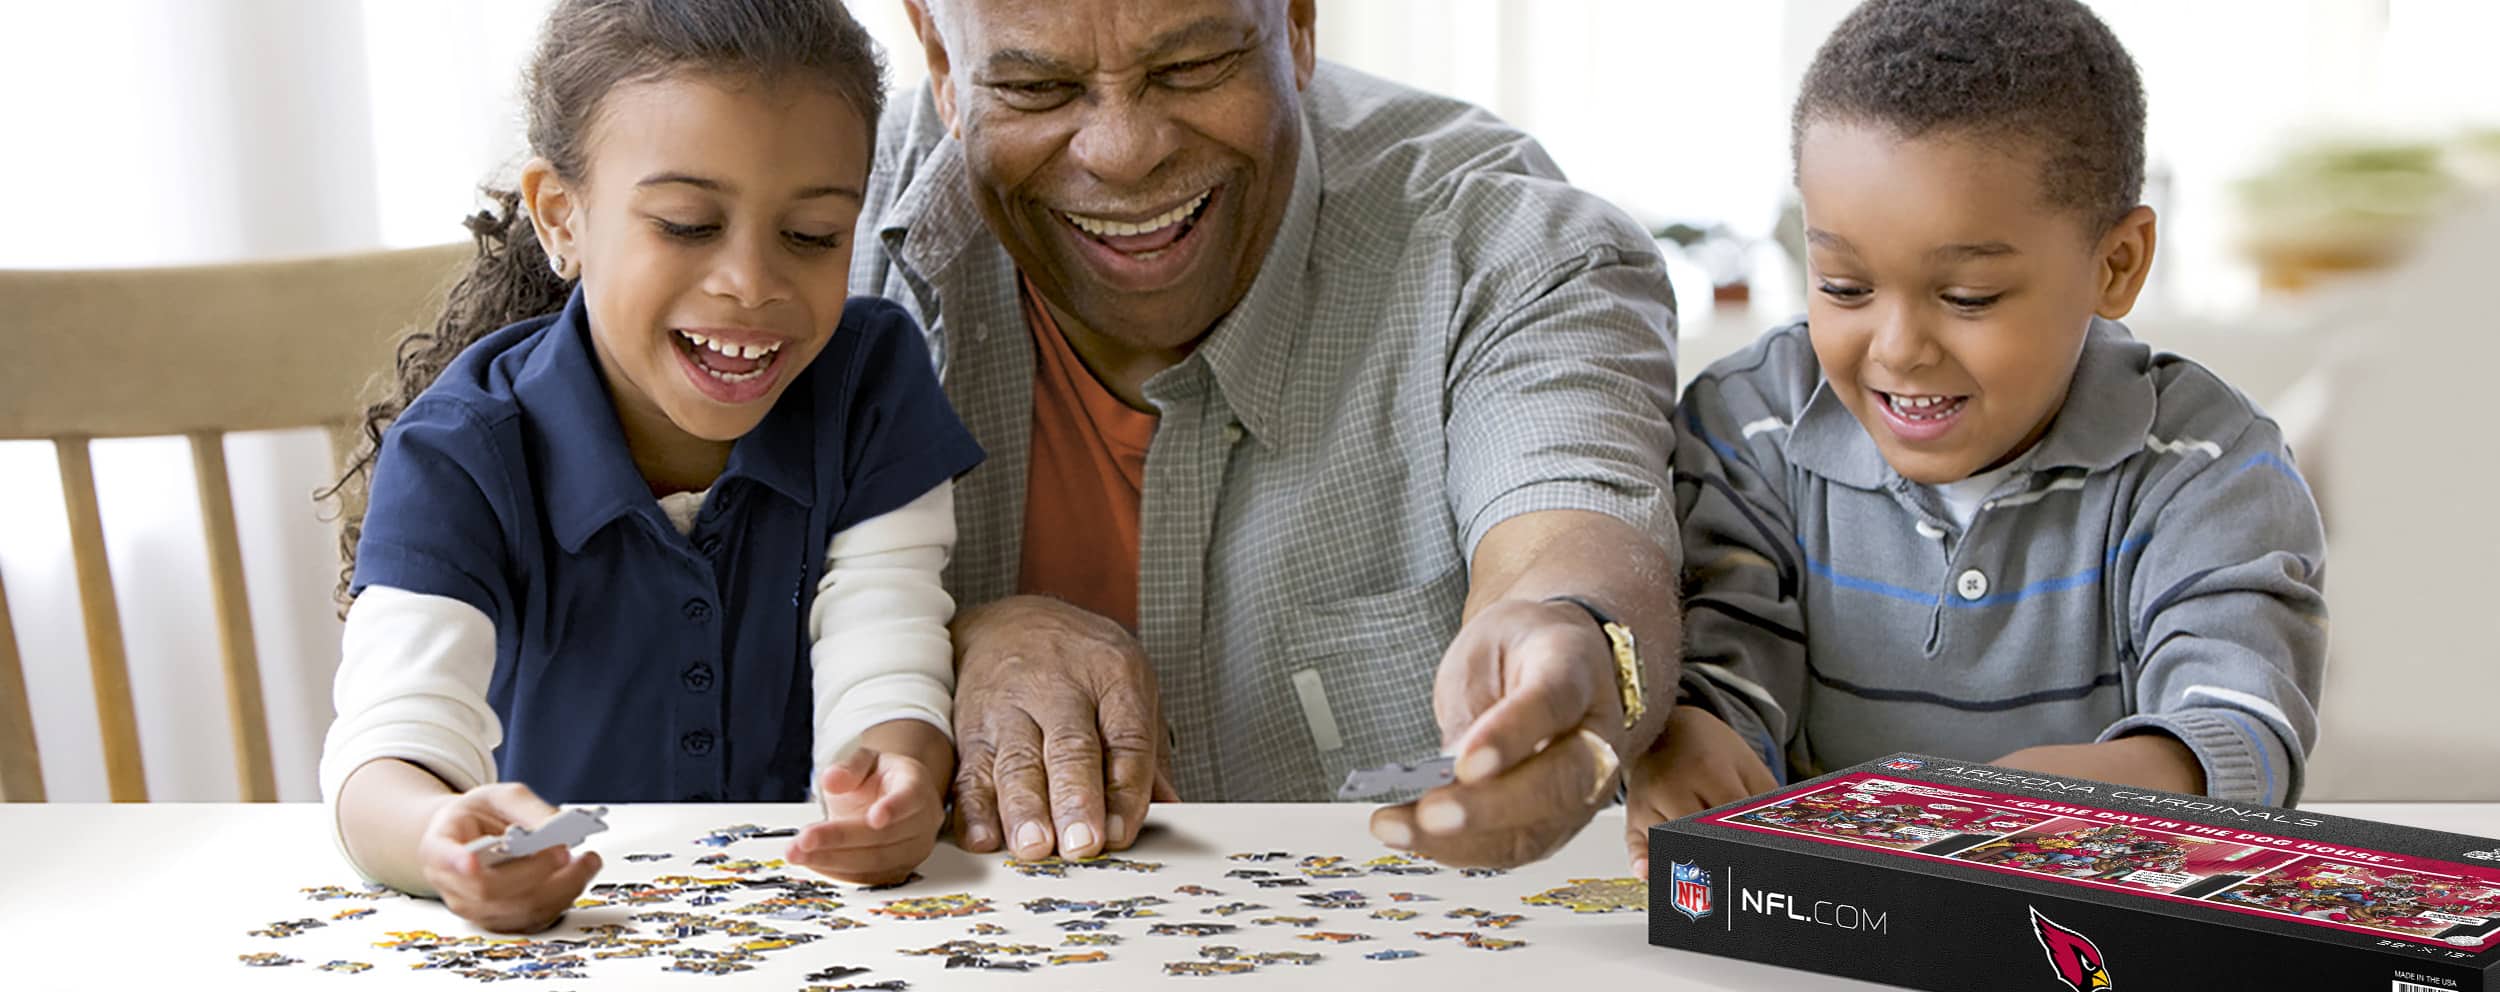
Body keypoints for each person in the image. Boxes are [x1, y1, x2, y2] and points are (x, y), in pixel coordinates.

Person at [859, 0, 1682, 869]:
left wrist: (1576, 642)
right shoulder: (796, 224)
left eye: (1191, 67)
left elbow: (1568, 534)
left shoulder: (1503, 244)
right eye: (1035, 86)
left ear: (1296, 22)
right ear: (941, 61)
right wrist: (937, 642)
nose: (1124, 151)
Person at [315, 0, 982, 932]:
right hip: (565, 938)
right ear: (562, 217)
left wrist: (895, 777)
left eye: (814, 235)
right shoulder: (460, 451)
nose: (751, 282)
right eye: (685, 223)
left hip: (814, 929)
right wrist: (438, 836)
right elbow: (386, 750)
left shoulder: (871, 385)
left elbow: (886, 648)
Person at [1625, 0, 2327, 872]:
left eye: (1968, 298)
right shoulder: (1749, 423)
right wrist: (1687, 733)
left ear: (2116, 265)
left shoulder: (2207, 464)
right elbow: (1726, 648)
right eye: (1843, 286)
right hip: (1817, 916)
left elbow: (2239, 715)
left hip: (2081, 917)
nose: (1898, 349)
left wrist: (2129, 781)